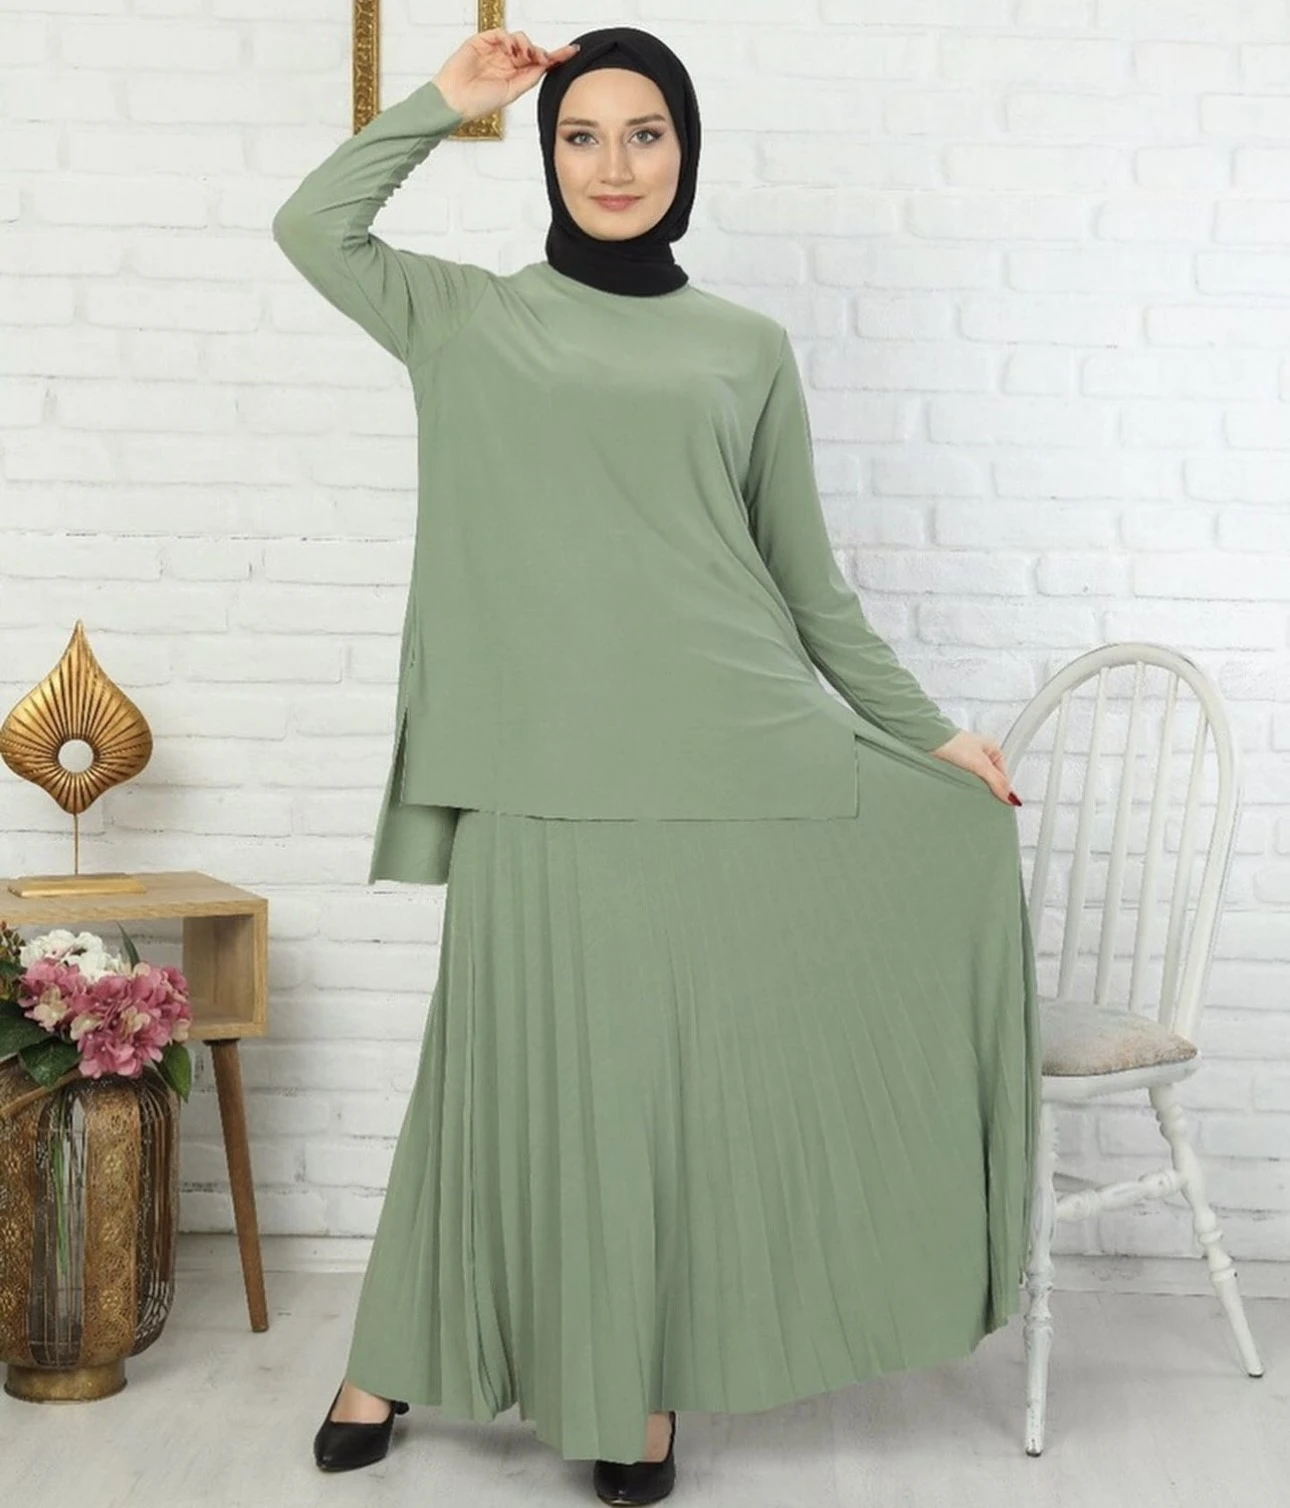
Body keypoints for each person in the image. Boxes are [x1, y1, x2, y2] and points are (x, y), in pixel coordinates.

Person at [272, 23, 1041, 1506]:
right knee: (494, 1076)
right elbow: (313, 226)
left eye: (645, 133)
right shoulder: (465, 316)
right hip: (538, 770)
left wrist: (931, 737)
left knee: (663, 1096)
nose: (613, 164)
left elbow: (806, 586)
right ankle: (391, 1353)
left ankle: (639, 1386)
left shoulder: (744, 347)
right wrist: (447, 99)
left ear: (686, 153)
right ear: (547, 153)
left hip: (726, 753)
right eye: (581, 134)